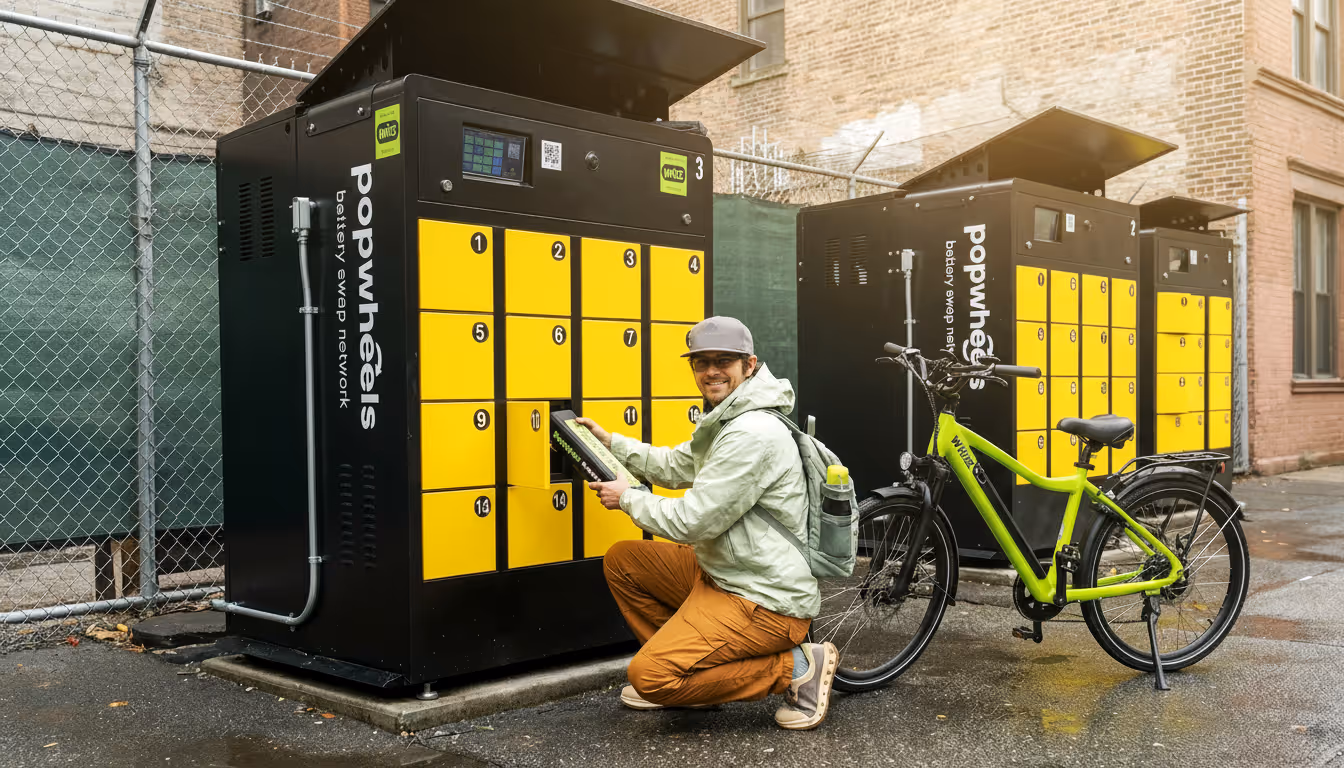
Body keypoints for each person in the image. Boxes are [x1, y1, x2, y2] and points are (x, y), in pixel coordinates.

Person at [577, 316, 839, 731]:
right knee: (625, 560)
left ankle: (797, 667)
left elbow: (692, 521)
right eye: (702, 363)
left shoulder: (751, 432)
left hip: (763, 599)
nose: (712, 371)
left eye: (724, 361)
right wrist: (612, 443)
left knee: (649, 678)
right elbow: (676, 464)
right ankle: (699, 683)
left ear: (748, 365)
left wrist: (627, 498)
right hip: (724, 575)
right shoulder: (729, 418)